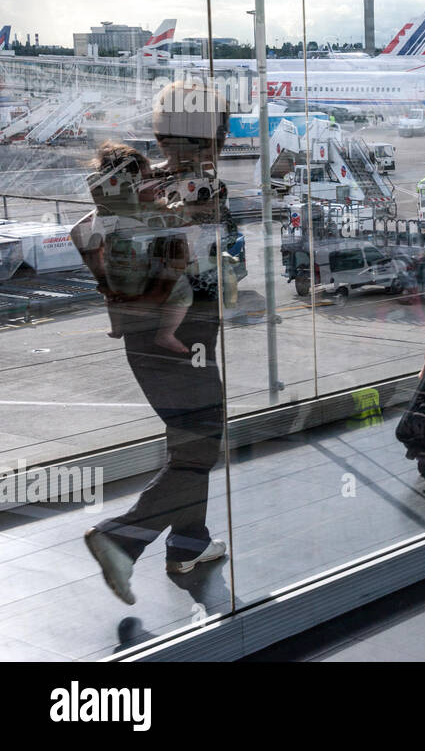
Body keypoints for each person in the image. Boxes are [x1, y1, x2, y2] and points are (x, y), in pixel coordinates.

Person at [75, 80, 232, 604]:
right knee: (202, 447)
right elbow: (204, 265)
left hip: (140, 327)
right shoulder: (200, 189)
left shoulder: (136, 182)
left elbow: (84, 232)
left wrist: (110, 290)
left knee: (187, 442)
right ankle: (120, 537)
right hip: (183, 332)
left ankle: (188, 543)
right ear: (215, 133)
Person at [86, 141, 193, 354]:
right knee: (182, 293)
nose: (154, 184)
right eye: (147, 179)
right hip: (143, 275)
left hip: (117, 276)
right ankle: (165, 335)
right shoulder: (150, 212)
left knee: (111, 297)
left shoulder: (105, 212)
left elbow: (93, 244)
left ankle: (117, 328)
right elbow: (178, 221)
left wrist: (104, 278)